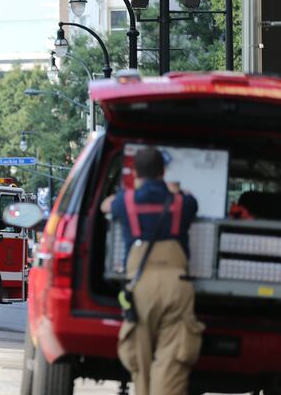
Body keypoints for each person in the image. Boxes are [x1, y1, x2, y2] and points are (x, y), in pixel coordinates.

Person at [101, 147, 204, 395]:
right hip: (177, 285)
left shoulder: (125, 202)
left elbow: (105, 206)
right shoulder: (182, 202)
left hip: (140, 285)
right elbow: (192, 200)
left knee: (141, 358)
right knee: (172, 359)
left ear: (136, 172)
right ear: (164, 171)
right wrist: (174, 190)